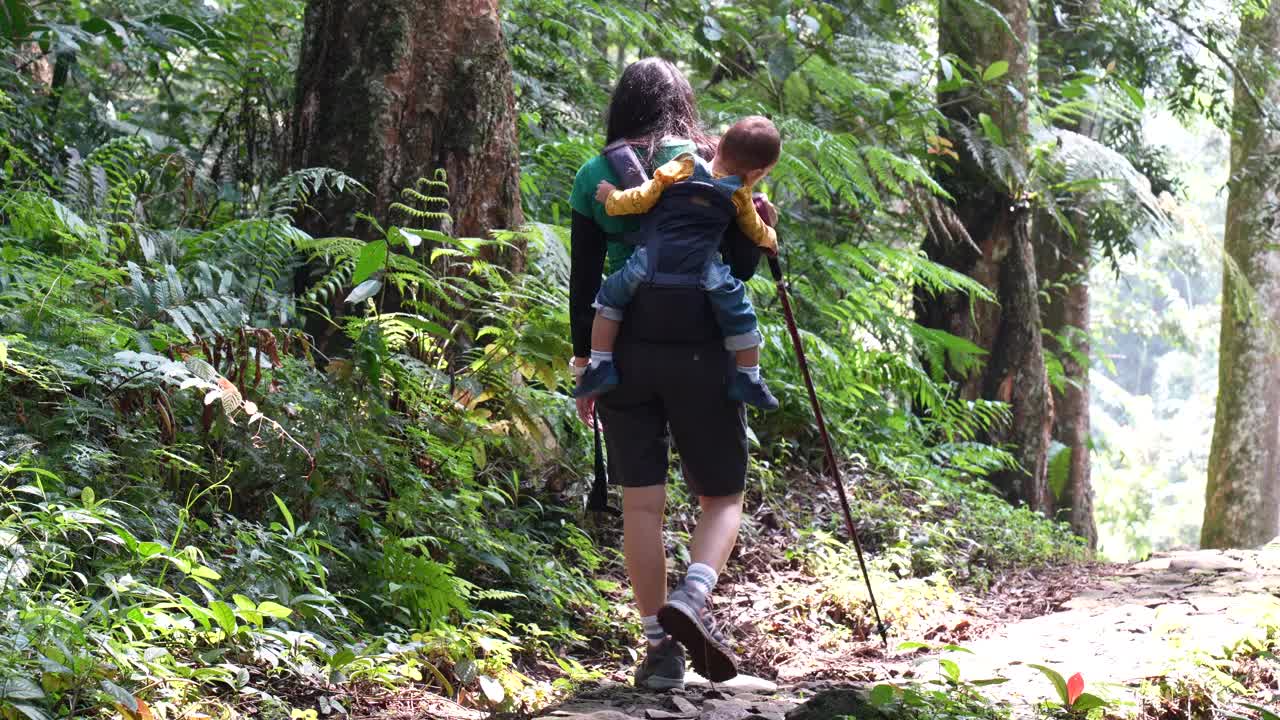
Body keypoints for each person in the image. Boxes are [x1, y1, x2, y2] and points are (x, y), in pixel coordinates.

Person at [568, 57, 774, 691]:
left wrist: (586, 363)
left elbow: (584, 280)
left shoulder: (594, 175)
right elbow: (741, 267)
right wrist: (762, 220)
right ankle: (693, 596)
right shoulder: (715, 161)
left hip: (625, 352)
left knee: (642, 504)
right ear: (683, 104)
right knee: (723, 495)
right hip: (705, 351)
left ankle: (660, 649)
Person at [573, 116, 781, 410]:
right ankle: (749, 377)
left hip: (649, 263)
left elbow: (641, 198)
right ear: (758, 172)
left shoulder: (682, 166)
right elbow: (755, 232)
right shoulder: (739, 195)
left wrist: (611, 197)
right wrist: (772, 238)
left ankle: (601, 365)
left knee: (608, 302)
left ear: (719, 144)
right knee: (742, 316)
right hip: (703, 272)